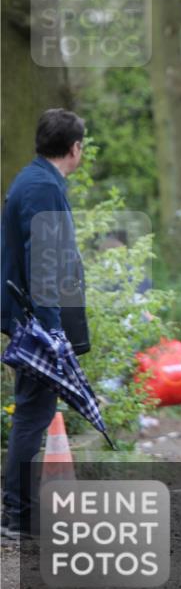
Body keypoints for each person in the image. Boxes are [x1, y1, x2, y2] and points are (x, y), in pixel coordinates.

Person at [1, 109, 89, 539]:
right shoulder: (41, 188)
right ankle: (17, 516)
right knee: (33, 416)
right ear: (76, 148)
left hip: (31, 314)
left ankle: (19, 513)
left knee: (35, 412)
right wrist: (53, 331)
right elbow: (45, 263)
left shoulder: (38, 181)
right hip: (37, 320)